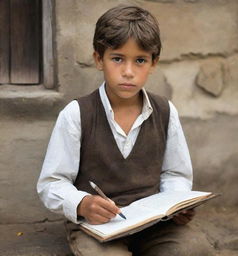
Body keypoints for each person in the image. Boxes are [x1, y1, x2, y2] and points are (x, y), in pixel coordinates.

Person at [37, 5, 214, 256]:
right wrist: (83, 204)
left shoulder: (165, 111)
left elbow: (175, 173)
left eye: (140, 60)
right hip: (97, 226)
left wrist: (177, 203)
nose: (128, 72)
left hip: (154, 224)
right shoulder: (77, 114)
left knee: (197, 249)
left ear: (153, 63)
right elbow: (52, 183)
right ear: (99, 59)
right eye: (117, 58)